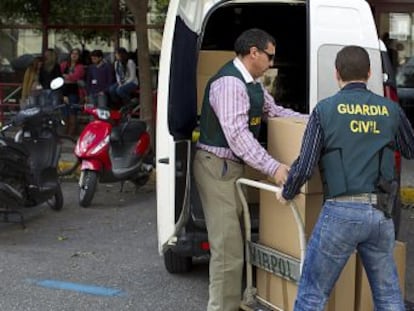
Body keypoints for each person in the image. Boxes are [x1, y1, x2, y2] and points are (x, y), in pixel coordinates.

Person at [277, 45, 414, 311]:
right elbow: (410, 148)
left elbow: (305, 165)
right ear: (370, 72)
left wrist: (287, 191)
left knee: (312, 296)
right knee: (388, 297)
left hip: (341, 213)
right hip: (380, 213)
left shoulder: (325, 110)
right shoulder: (390, 110)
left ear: (337, 73)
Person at [193, 28, 305, 311]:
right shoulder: (230, 84)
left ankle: (240, 299)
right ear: (253, 52)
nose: (272, 63)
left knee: (238, 240)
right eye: (270, 56)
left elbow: (277, 112)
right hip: (217, 168)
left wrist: (314, 118)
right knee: (227, 250)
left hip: (230, 168)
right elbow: (238, 137)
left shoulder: (252, 84)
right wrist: (274, 167)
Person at [60, 48, 85, 136]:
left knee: (72, 113)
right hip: (64, 92)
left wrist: (66, 77)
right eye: (73, 53)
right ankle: (65, 133)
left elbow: (76, 77)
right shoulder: (64, 65)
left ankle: (70, 135)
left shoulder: (80, 67)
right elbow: (59, 76)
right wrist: (68, 77)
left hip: (74, 92)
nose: (74, 55)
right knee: (65, 114)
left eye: (76, 54)